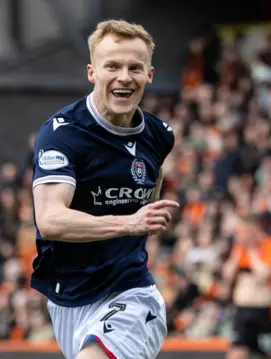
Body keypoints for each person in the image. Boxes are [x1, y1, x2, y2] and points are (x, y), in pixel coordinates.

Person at [31, 20, 178, 359]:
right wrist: (128, 224)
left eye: (135, 67)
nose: (124, 76)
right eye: (112, 65)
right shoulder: (61, 134)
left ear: (149, 75)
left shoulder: (159, 136)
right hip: (67, 298)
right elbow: (51, 220)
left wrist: (139, 223)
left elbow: (148, 198)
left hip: (132, 293)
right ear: (92, 72)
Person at [222, 214, 271, 359]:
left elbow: (263, 275)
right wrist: (238, 252)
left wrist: (251, 250)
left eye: (242, 231)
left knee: (269, 353)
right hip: (242, 310)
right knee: (236, 352)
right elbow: (227, 274)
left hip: (263, 311)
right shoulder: (239, 249)